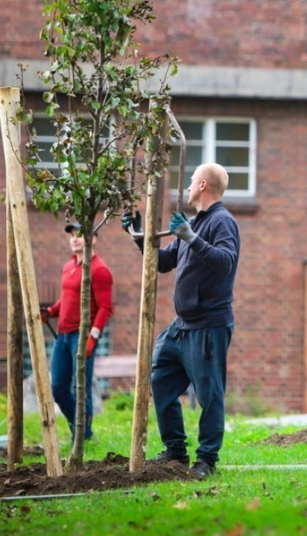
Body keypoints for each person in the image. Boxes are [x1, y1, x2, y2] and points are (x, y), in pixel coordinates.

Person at [122, 162, 240, 480]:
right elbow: (163, 263)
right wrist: (136, 236)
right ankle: (176, 450)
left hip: (209, 325)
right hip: (182, 326)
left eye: (191, 182)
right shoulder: (192, 222)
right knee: (159, 381)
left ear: (203, 185)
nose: (187, 187)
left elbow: (225, 262)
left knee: (210, 395)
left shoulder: (222, 222)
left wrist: (192, 239)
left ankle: (206, 461)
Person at [42, 223, 114, 441]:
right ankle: (81, 429)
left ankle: (82, 436)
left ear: (93, 239)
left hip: (81, 337)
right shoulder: (69, 266)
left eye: (80, 235)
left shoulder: (99, 270)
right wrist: (51, 311)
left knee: (81, 388)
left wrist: (92, 336)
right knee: (58, 388)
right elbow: (68, 297)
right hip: (62, 336)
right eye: (72, 235)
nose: (74, 239)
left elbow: (105, 308)